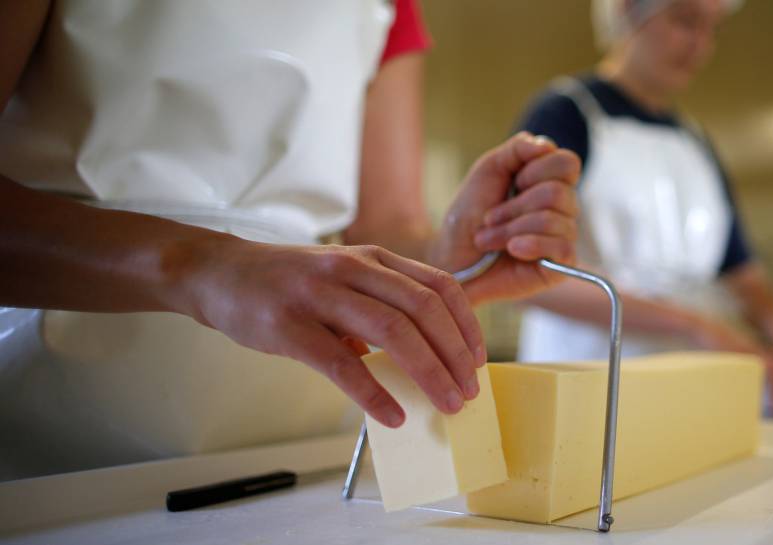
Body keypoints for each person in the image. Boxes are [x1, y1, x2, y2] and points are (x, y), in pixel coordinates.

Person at [0, 0, 581, 478]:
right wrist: (205, 264)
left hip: (301, 421)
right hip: (58, 420)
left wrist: (452, 261)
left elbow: (387, 225)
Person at [514, 0, 773, 415]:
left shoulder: (696, 143)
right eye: (685, 21)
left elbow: (742, 275)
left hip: (682, 395)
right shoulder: (565, 115)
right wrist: (694, 326)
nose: (701, 45)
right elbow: (526, 274)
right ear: (628, 12)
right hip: (583, 392)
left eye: (712, 29)